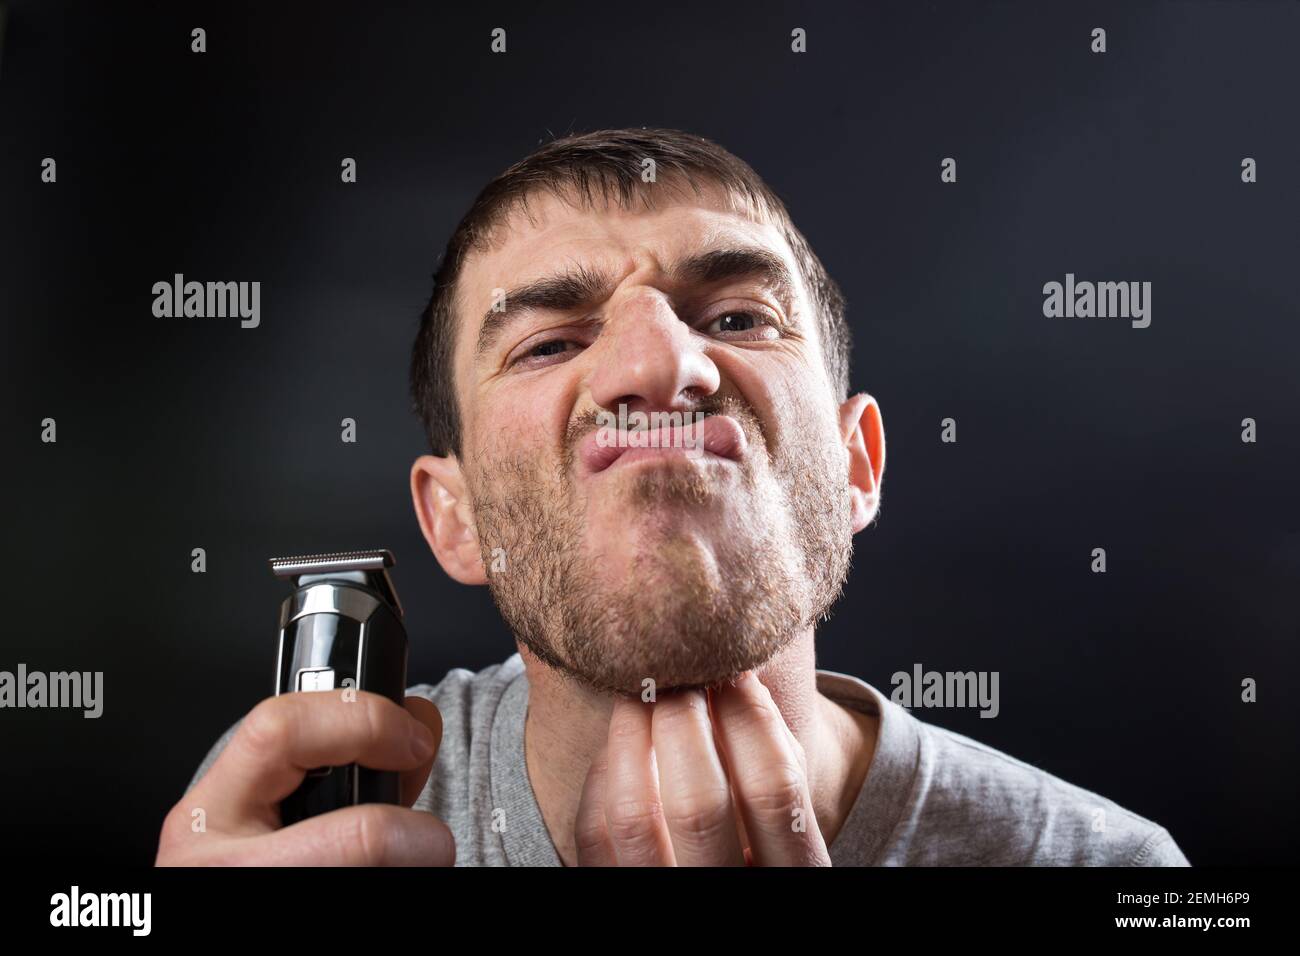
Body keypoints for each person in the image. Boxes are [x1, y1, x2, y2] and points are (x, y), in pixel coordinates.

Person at [156, 128, 1189, 866]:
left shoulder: (1110, 865)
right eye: (551, 341)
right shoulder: (297, 821)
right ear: (451, 517)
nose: (659, 362)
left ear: (855, 462)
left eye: (738, 317)